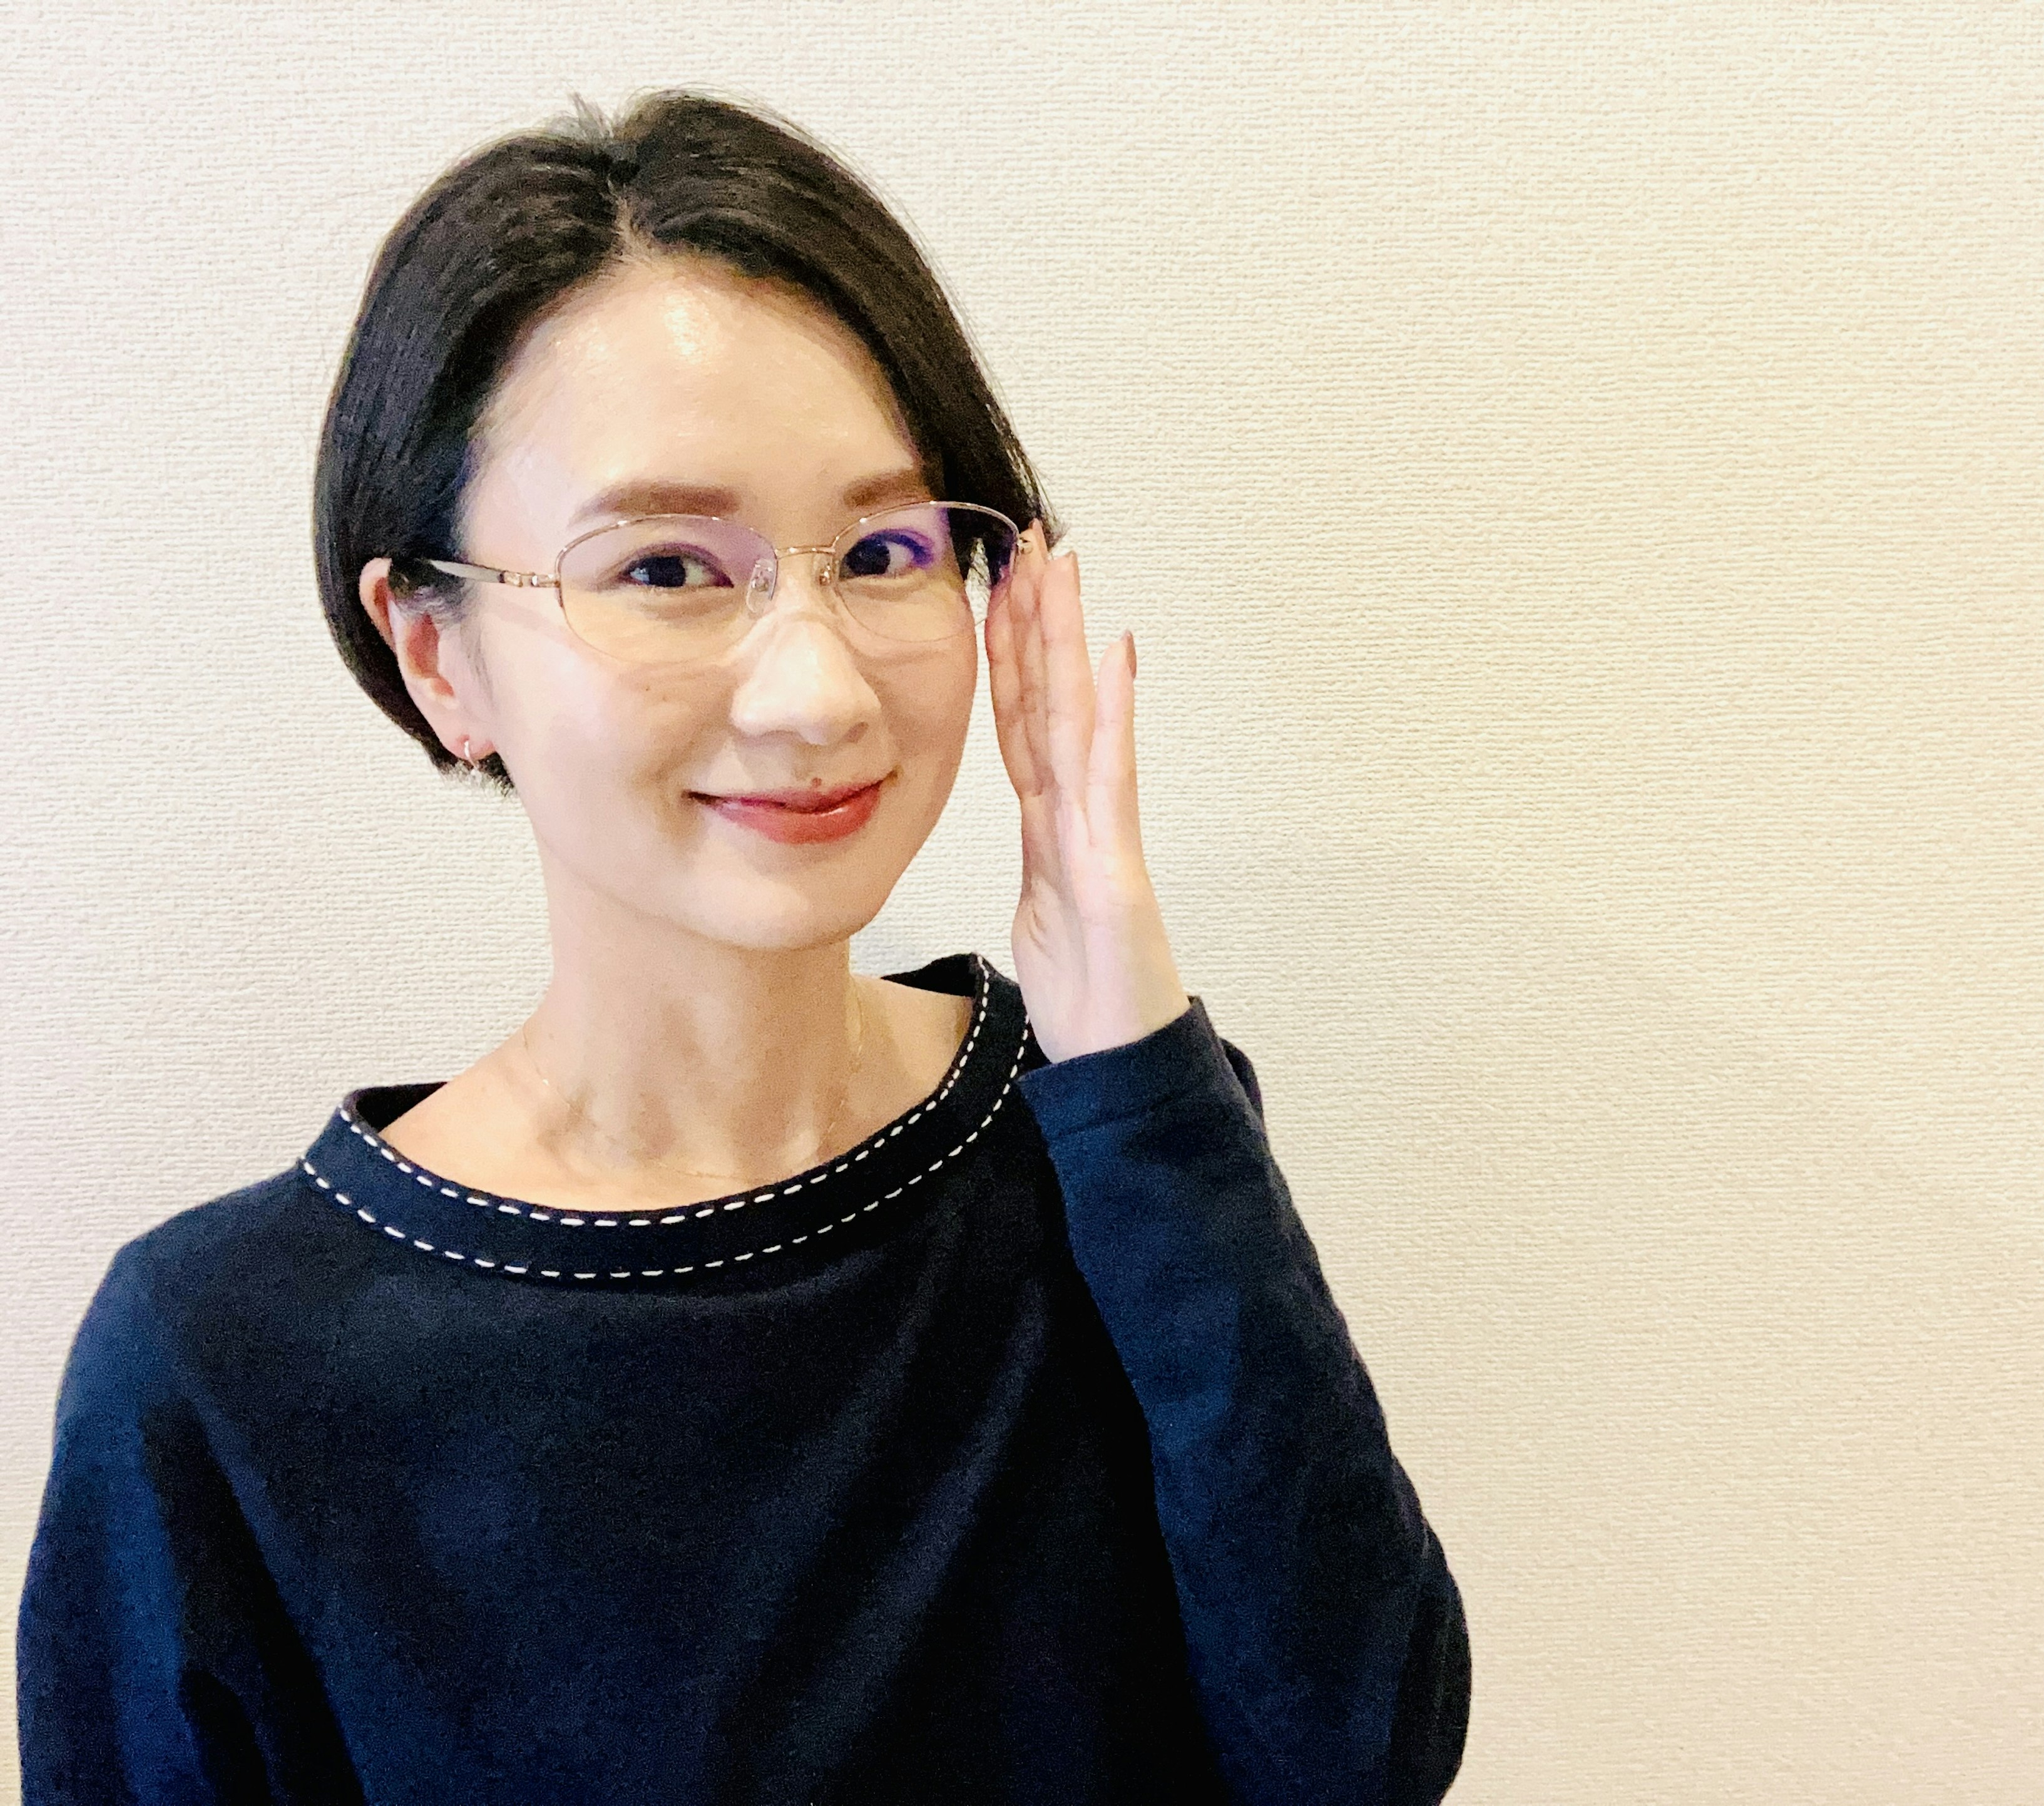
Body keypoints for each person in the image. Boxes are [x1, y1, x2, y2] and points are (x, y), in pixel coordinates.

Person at [13, 89, 1469, 1805]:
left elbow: (1358, 1755)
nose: (817, 691)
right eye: (667, 571)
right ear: (437, 654)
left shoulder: (1117, 1145)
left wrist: (1136, 1050)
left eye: (882, 552)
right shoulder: (225, 1363)